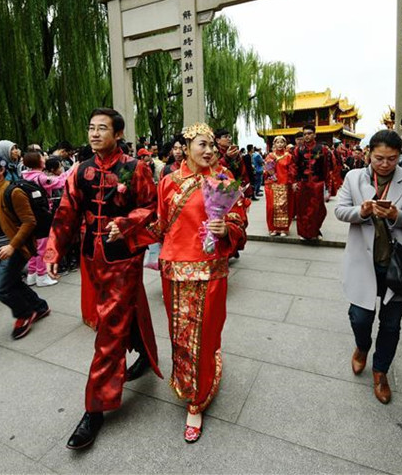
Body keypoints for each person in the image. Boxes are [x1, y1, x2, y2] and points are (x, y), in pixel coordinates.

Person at [44, 108, 161, 450]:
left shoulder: (134, 168)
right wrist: (53, 251)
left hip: (123, 258)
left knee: (109, 329)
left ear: (118, 134)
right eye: (91, 128)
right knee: (122, 312)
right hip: (93, 258)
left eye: (102, 128)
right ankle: (145, 353)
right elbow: (66, 212)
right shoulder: (80, 170)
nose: (94, 134)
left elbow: (151, 206)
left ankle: (95, 407)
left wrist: (125, 222)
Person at [128, 122, 248, 442]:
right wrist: (127, 234)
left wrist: (227, 229)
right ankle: (186, 382)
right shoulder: (168, 181)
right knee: (181, 335)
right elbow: (159, 224)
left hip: (210, 269)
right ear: (186, 147)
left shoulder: (223, 178)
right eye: (201, 144)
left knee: (205, 332)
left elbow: (238, 219)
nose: (209, 150)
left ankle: (197, 399)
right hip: (175, 269)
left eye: (212, 145)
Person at [334, 130, 402, 404]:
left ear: (400, 157)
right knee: (359, 318)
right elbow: (340, 210)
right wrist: (361, 212)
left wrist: (397, 215)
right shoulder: (354, 177)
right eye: (379, 158)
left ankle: (380, 371)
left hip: (396, 264)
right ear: (369, 154)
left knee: (392, 324)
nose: (385, 164)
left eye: (392, 159)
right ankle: (362, 347)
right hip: (363, 262)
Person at [0, 154, 50, 338]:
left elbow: (29, 221)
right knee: (12, 281)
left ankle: (24, 313)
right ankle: (39, 307)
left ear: (1, 170)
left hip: (14, 248)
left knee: (0, 288)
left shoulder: (13, 192)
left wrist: (12, 246)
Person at [21, 152, 61, 287]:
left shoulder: (24, 176)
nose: (44, 159)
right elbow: (60, 182)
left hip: (29, 214)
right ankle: (42, 275)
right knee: (43, 246)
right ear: (38, 162)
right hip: (42, 215)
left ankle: (32, 274)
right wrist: (73, 170)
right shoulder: (41, 178)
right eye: (42, 157)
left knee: (33, 245)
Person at [293, 124, 333, 240]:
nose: (307, 136)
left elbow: (326, 167)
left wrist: (327, 184)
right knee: (302, 209)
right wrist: (294, 182)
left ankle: (315, 230)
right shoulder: (298, 150)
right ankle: (304, 233)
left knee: (318, 209)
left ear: (315, 134)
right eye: (305, 134)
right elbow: (294, 167)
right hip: (303, 183)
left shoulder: (322, 149)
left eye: (309, 133)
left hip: (317, 183)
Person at [264, 136, 295, 236]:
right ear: (274, 144)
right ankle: (273, 228)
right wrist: (271, 175)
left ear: (285, 144)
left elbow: (292, 170)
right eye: (277, 142)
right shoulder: (270, 156)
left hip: (285, 184)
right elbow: (267, 170)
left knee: (284, 207)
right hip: (272, 184)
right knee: (272, 207)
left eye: (282, 142)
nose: (280, 144)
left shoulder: (288, 156)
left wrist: (290, 181)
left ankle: (283, 229)